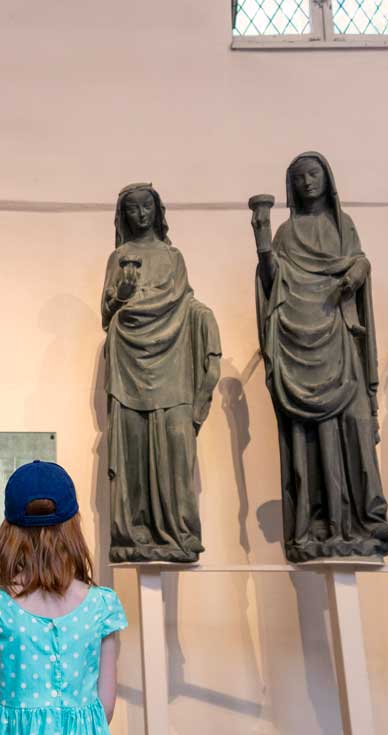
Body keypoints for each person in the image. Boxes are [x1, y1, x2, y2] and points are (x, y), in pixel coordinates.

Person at [250, 153, 388, 563]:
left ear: (327, 179)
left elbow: (356, 260)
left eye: (313, 174)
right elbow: (272, 278)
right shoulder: (286, 232)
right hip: (300, 342)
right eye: (299, 177)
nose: (308, 182)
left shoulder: (342, 226)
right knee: (308, 435)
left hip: (337, 334)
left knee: (353, 422)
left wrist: (359, 269)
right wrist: (262, 237)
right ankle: (315, 522)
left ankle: (365, 518)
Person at [0, 461, 128, 735]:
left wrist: (22, 734)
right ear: (73, 528)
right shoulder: (101, 606)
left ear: (9, 531)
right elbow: (106, 705)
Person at [101, 183, 221, 563]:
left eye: (146, 207)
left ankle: (178, 532)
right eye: (132, 208)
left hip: (171, 360)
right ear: (124, 215)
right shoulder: (119, 256)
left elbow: (186, 301)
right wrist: (122, 293)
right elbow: (106, 315)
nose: (140, 214)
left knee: (174, 444)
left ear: (157, 211)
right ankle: (133, 531)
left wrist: (206, 321)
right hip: (130, 360)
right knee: (133, 444)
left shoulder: (173, 257)